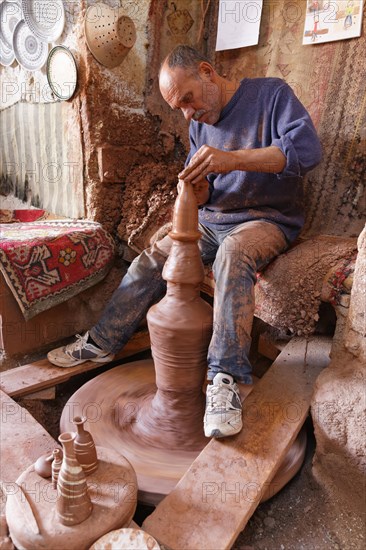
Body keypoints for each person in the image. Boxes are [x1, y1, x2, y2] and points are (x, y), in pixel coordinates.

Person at [48, 45, 322, 439]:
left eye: (189, 100)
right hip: (214, 219)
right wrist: (196, 190)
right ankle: (102, 341)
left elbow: (308, 151)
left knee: (233, 255)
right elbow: (208, 192)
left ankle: (224, 379)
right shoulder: (197, 124)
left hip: (267, 219)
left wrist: (233, 159)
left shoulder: (271, 95)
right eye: (179, 108)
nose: (188, 114)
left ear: (208, 72)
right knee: (153, 258)